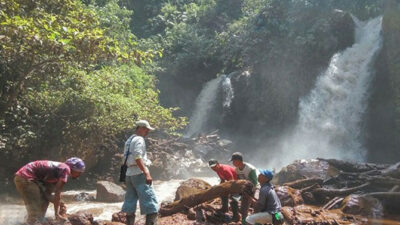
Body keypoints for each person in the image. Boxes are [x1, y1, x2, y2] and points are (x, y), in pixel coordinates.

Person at [14, 157, 85, 224]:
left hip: (26, 177)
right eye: (79, 172)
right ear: (73, 168)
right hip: (26, 177)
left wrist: (59, 203)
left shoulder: (58, 170)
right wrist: (56, 214)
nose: (80, 174)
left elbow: (47, 195)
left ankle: (36, 220)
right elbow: (58, 192)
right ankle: (32, 221)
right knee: (34, 210)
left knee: (44, 202)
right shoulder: (66, 169)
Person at [121, 120, 158, 225]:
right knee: (150, 203)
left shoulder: (129, 140)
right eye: (146, 129)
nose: (148, 132)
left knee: (130, 202)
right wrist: (146, 172)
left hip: (129, 174)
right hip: (139, 173)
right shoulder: (139, 139)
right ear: (140, 128)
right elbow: (138, 157)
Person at [230, 152, 259, 225]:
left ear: (239, 161)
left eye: (234, 161)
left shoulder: (250, 169)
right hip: (244, 188)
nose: (233, 163)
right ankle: (236, 216)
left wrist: (247, 193)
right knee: (233, 198)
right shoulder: (237, 169)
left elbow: (255, 182)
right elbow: (239, 180)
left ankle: (244, 221)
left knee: (244, 206)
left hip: (254, 188)